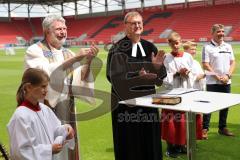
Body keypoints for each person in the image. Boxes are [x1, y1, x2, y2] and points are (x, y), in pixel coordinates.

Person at [24, 14, 98, 159]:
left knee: (66, 149)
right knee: (49, 148)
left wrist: (88, 62)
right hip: (44, 109)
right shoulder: (34, 50)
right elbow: (43, 76)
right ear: (47, 32)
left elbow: (78, 80)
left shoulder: (67, 52)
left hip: (66, 110)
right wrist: (75, 59)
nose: (63, 32)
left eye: (65, 28)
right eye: (58, 29)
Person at [106, 11, 167, 160]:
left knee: (150, 138)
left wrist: (158, 68)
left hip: (148, 102)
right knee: (129, 140)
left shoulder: (150, 47)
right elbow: (112, 76)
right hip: (125, 103)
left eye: (139, 22)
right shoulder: (117, 48)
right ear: (125, 26)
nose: (137, 25)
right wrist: (137, 76)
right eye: (133, 23)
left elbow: (161, 76)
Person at [7, 68, 75, 160]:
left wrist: (65, 130)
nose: (46, 90)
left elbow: (53, 131)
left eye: (47, 86)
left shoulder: (44, 109)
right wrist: (49, 149)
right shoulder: (20, 116)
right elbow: (20, 152)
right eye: (43, 87)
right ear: (28, 87)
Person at [161, 32, 202, 158]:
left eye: (177, 42)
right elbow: (163, 77)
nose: (175, 45)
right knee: (170, 121)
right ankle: (170, 147)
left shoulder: (188, 56)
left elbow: (194, 74)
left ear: (181, 42)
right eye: (172, 43)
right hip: (171, 94)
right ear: (169, 43)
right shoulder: (166, 58)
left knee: (183, 121)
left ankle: (182, 145)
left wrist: (187, 73)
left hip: (185, 91)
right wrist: (176, 74)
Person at [202, 24, 236, 139]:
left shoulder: (228, 46)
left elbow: (233, 62)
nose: (221, 33)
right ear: (212, 33)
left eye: (222, 31)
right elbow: (205, 64)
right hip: (212, 82)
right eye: (218, 31)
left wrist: (228, 75)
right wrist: (217, 77)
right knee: (208, 106)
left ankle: (222, 128)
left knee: (225, 105)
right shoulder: (207, 47)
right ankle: (205, 129)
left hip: (226, 81)